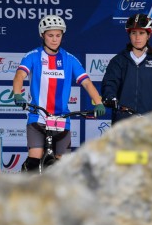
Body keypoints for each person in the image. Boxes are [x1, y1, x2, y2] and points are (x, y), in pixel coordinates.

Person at [11, 15, 106, 171]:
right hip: (38, 117)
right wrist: (17, 94)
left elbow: (87, 83)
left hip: (61, 118)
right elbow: (20, 75)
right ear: (42, 35)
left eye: (58, 35)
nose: (54, 39)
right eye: (50, 35)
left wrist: (98, 102)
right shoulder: (33, 56)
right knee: (34, 161)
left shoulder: (69, 59)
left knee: (61, 168)